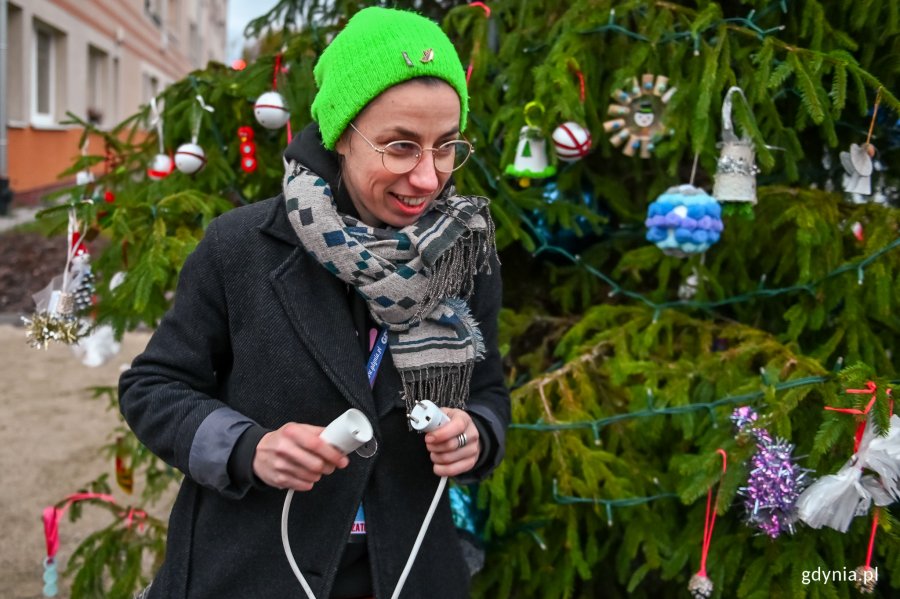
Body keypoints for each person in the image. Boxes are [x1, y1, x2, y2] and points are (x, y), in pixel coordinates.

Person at [119, 7, 510, 599]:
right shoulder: (241, 247)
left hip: (406, 571)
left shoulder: (462, 251)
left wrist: (477, 433)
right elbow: (153, 387)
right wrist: (248, 447)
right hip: (251, 571)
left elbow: (487, 390)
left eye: (446, 146)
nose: (429, 178)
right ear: (341, 135)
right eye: (401, 146)